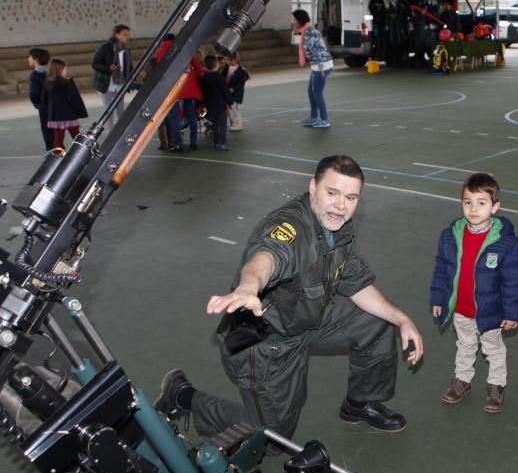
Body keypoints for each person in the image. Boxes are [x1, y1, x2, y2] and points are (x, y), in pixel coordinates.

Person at [154, 155, 424, 439]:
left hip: (309, 315)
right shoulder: (291, 226)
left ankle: (359, 404)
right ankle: (183, 397)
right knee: (271, 436)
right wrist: (248, 287)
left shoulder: (340, 226)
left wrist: (402, 318)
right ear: (313, 188)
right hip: (266, 342)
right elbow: (268, 256)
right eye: (332, 193)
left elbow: (355, 284)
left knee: (377, 321)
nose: (341, 206)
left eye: (351, 197)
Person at [430, 173, 518, 413]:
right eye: (467, 202)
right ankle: (462, 379)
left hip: (490, 311)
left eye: (481, 203)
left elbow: (513, 282)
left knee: (493, 349)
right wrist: (439, 298)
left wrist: (512, 313)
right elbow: (442, 268)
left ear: (495, 207)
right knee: (465, 345)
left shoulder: (507, 244)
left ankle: (496, 385)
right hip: (461, 308)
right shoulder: (450, 235)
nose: (473, 209)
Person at [154, 34, 205, 151]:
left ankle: (178, 143)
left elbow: (160, 73)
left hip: (173, 89)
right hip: (188, 86)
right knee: (192, 115)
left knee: (174, 117)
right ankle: (194, 141)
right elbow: (197, 68)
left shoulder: (161, 53)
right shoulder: (184, 49)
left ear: (164, 41)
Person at [293, 9, 334, 129]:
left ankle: (325, 119)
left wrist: (320, 68)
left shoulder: (310, 32)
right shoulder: (306, 31)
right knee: (311, 91)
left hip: (321, 65)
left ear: (300, 20)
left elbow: (318, 50)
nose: (293, 22)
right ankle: (313, 117)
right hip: (317, 65)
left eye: (294, 19)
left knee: (317, 92)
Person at [91, 24, 133, 128]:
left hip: (120, 84)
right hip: (106, 83)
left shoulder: (126, 50)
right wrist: (108, 68)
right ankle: (111, 135)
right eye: (124, 34)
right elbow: (95, 63)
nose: (127, 37)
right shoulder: (105, 48)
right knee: (109, 111)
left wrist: (131, 80)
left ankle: (122, 132)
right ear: (116, 35)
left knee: (120, 110)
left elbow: (128, 66)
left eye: (128, 34)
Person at [41, 58, 88, 150]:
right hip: (69, 114)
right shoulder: (67, 82)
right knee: (76, 136)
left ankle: (58, 156)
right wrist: (80, 112)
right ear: (59, 70)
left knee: (58, 139)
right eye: (65, 69)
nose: (66, 70)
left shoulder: (47, 83)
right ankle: (81, 152)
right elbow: (74, 98)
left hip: (55, 116)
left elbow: (44, 100)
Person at [201, 54, 234, 151]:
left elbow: (203, 92)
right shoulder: (219, 77)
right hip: (220, 105)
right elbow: (224, 90)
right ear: (216, 64)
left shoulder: (204, 78)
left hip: (210, 105)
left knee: (214, 124)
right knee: (222, 125)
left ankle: (216, 142)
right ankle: (222, 143)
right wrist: (230, 102)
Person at [27, 48, 53, 150]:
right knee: (58, 131)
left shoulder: (35, 75)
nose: (28, 59)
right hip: (58, 105)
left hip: (45, 107)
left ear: (36, 60)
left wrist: (38, 104)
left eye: (30, 57)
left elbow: (34, 93)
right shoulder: (53, 71)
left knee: (47, 130)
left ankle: (52, 152)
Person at [222, 52, 249, 132]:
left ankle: (238, 123)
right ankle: (234, 122)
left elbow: (241, 82)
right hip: (228, 92)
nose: (230, 62)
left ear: (236, 59)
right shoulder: (227, 68)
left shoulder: (241, 70)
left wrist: (233, 88)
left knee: (234, 107)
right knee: (230, 108)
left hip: (236, 93)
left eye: (231, 60)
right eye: (229, 60)